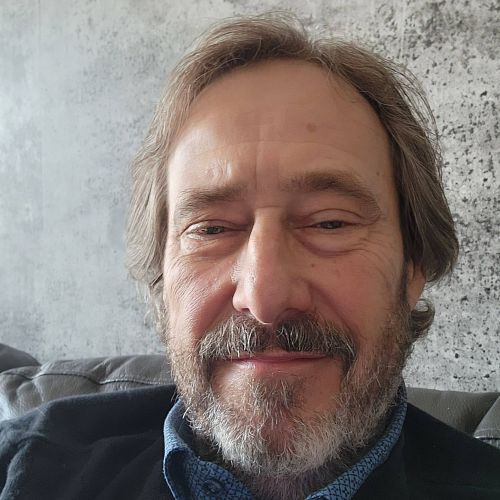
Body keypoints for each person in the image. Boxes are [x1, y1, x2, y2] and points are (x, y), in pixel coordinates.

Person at [1, 12, 499, 500]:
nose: (264, 297)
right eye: (211, 229)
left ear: (412, 266)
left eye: (330, 222)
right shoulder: (26, 466)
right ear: (162, 278)